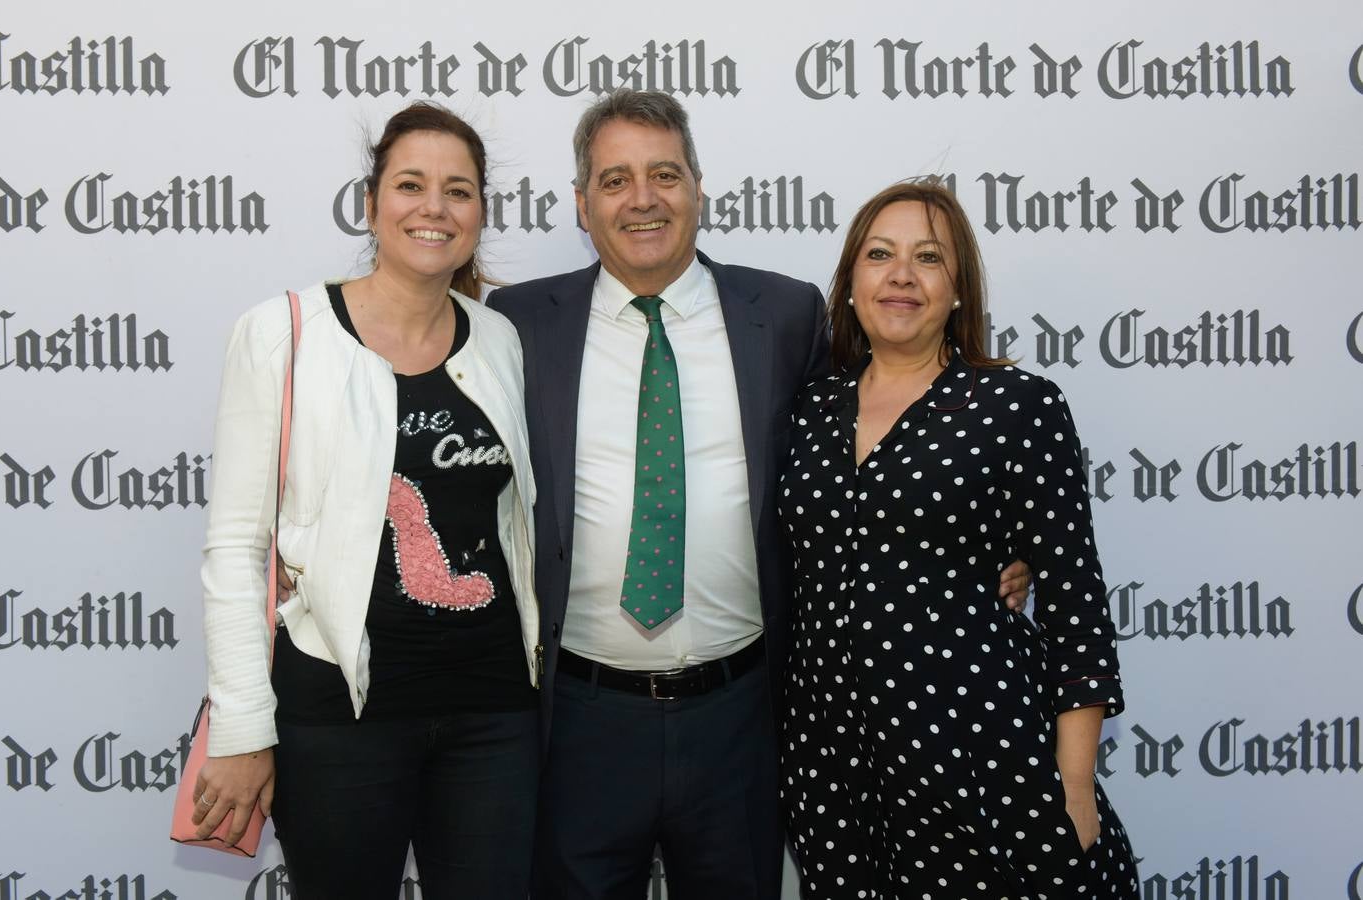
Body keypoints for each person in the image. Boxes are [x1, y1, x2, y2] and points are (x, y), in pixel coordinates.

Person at [488, 91, 1031, 899]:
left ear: (699, 188)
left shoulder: (782, 313)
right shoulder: (522, 321)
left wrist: (990, 548)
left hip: (743, 716)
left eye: (665, 173)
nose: (643, 198)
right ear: (581, 203)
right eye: (615, 180)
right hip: (583, 717)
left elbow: (862, 472)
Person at [191, 102, 542, 899]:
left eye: (458, 190)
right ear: (371, 202)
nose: (434, 207)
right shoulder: (282, 333)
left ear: (481, 213)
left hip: (494, 717)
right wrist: (243, 731)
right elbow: (237, 549)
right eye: (410, 184)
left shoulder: (500, 342)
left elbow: (518, 528)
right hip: (337, 719)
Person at [780, 179, 1140, 899]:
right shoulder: (808, 408)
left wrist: (1072, 790)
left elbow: (1075, 603)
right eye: (880, 254)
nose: (901, 275)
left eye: (929, 258)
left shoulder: (1017, 405)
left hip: (979, 757)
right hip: (833, 769)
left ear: (960, 289)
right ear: (850, 282)